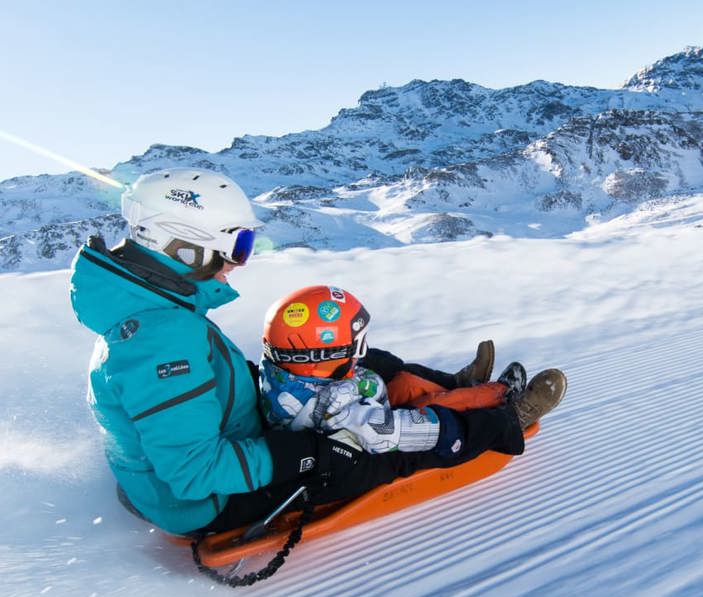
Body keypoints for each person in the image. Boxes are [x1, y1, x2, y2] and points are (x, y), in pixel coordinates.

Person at [69, 167, 567, 537]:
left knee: (362, 362)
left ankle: (456, 386)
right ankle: (502, 423)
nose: (238, 263)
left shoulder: (156, 313)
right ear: (183, 248)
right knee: (375, 451)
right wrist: (309, 455)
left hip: (227, 441)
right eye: (236, 246)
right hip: (207, 501)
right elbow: (195, 473)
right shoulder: (161, 340)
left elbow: (187, 397)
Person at [259, 284, 535, 455]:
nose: (361, 351)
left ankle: (458, 383)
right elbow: (396, 430)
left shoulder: (286, 369)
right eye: (355, 346)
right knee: (433, 407)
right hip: (379, 433)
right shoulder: (342, 417)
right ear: (323, 355)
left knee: (403, 378)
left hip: (362, 398)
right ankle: (503, 402)